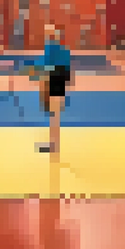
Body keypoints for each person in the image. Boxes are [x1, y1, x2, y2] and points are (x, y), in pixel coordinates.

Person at [29, 24, 72, 155]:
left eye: (48, 34)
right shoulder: (61, 51)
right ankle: (53, 143)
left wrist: (35, 73)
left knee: (54, 115)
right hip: (57, 82)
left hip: (55, 83)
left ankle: (54, 145)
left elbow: (47, 67)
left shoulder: (53, 50)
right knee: (54, 115)